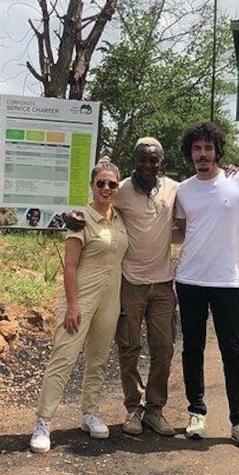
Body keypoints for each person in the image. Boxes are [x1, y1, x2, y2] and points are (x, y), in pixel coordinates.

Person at [67, 138, 179, 436]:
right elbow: (95, 203)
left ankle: (155, 410)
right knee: (128, 348)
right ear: (135, 161)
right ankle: (133, 409)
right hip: (130, 283)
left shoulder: (173, 189)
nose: (148, 165)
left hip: (163, 283)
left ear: (161, 162)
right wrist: (73, 215)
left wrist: (229, 171)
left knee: (164, 349)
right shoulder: (122, 190)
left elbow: (205, 189)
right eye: (142, 159)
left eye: (153, 160)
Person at [174, 122, 239, 452]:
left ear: (217, 152)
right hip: (189, 280)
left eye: (208, 148)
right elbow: (182, 232)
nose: (203, 155)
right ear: (189, 155)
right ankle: (196, 412)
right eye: (197, 149)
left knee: (233, 352)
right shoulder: (183, 190)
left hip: (226, 281)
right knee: (192, 349)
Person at [29, 160, 128, 453]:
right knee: (64, 358)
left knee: (98, 359)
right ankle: (43, 422)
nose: (107, 189)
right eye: (101, 183)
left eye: (112, 184)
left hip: (110, 300)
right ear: (92, 185)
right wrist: (72, 305)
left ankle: (90, 413)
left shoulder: (120, 218)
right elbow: (70, 267)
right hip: (80, 299)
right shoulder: (81, 219)